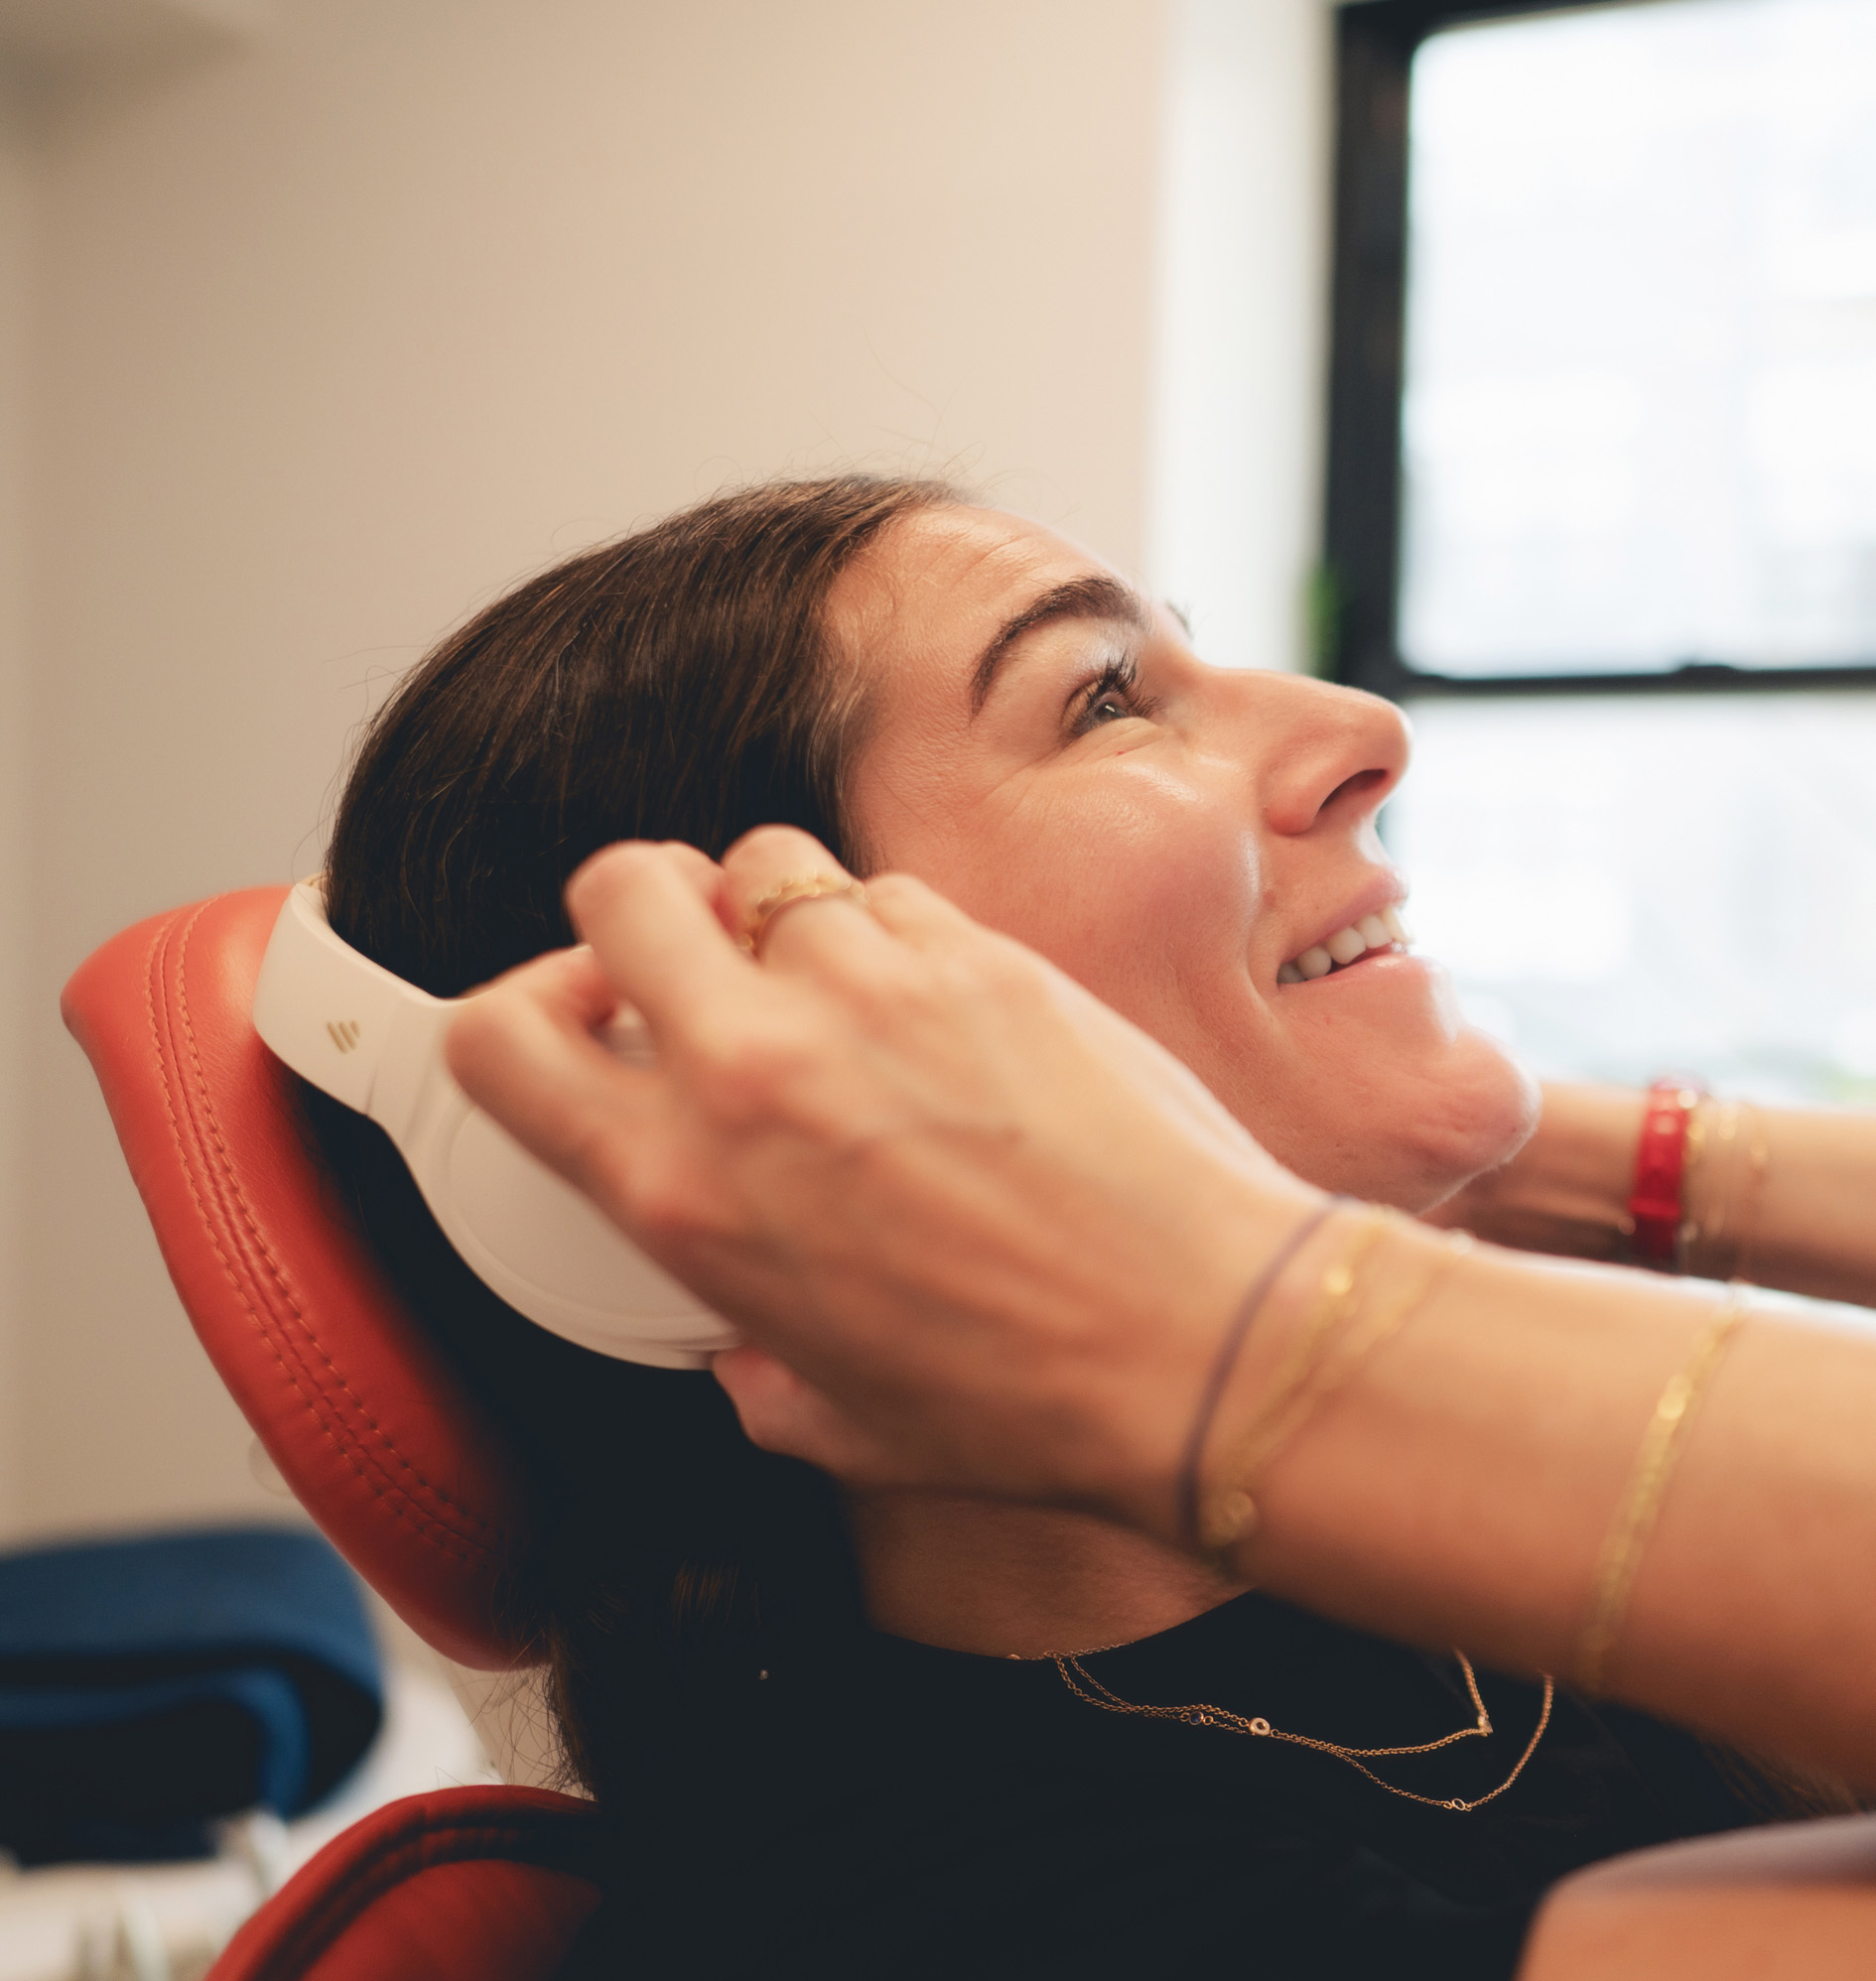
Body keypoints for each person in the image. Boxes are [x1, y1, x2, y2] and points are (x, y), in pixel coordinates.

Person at [312, 473, 1872, 1977]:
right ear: (715, 1111)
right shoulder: (948, 1922)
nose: (1362, 729)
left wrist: (1600, 1173)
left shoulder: (1423, 1576)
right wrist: (1247, 1331)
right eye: (1106, 697)